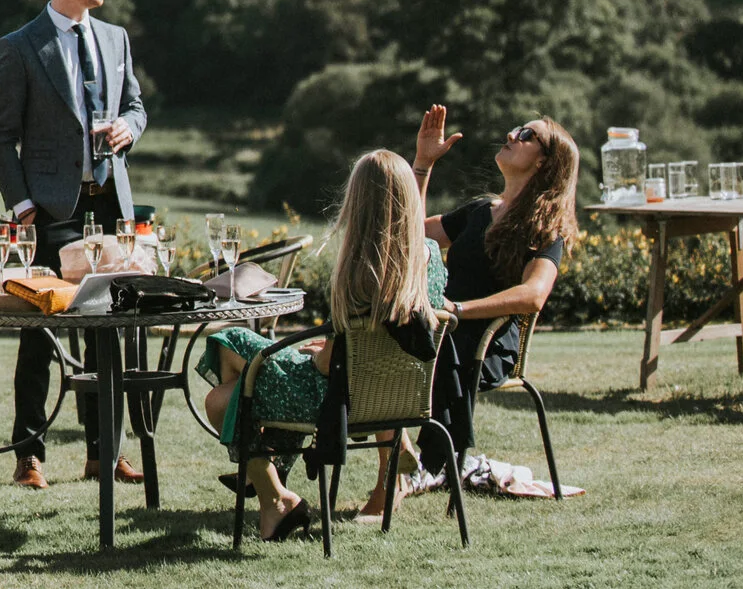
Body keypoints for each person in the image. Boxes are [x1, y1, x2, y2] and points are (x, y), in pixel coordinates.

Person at [199, 149, 447, 541]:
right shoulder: (430, 256)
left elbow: (326, 367)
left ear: (358, 201)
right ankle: (271, 483)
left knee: (224, 378)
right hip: (397, 395)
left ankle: (273, 493)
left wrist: (319, 352)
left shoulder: (358, 266)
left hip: (338, 398)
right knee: (237, 366)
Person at [0, 0, 148, 489]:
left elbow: (137, 106)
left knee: (111, 329)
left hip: (110, 205)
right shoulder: (21, 46)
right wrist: (23, 204)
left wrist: (128, 126)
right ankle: (30, 453)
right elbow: (0, 137)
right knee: (41, 334)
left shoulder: (116, 38)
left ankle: (106, 451)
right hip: (51, 210)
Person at [398, 106, 579, 506]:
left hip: (487, 345)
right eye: (517, 129)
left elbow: (533, 295)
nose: (512, 135)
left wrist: (458, 309)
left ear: (545, 162)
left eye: (526, 135)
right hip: (442, 327)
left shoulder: (545, 230)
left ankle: (429, 462)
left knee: (426, 343)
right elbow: (408, 232)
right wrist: (424, 163)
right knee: (375, 337)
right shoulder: (481, 211)